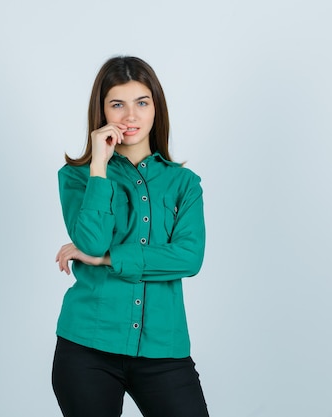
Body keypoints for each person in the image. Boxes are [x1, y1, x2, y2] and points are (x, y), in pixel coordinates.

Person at [52, 56, 209, 417]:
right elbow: (90, 241)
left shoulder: (184, 184)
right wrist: (98, 166)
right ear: (102, 111)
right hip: (88, 346)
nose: (130, 116)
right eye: (117, 104)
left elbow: (189, 257)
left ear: (156, 108)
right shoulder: (78, 177)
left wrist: (109, 259)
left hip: (163, 351)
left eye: (141, 102)